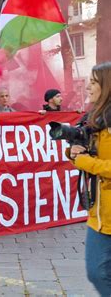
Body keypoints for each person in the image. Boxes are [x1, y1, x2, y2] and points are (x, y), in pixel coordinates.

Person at [68, 62, 111, 296]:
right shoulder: (94, 118)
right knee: (96, 271)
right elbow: (82, 151)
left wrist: (85, 162)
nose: (88, 88)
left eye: (93, 83)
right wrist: (73, 151)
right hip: (99, 214)